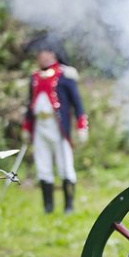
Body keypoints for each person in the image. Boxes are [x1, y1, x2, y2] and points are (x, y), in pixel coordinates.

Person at [21, 37, 88, 214]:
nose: (39, 56)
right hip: (40, 127)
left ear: (51, 53)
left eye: (42, 52)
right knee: (43, 167)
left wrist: (82, 125)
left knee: (65, 165)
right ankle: (48, 207)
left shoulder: (65, 75)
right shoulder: (34, 77)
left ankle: (68, 206)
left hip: (59, 127)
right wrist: (27, 128)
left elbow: (77, 103)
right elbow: (30, 104)